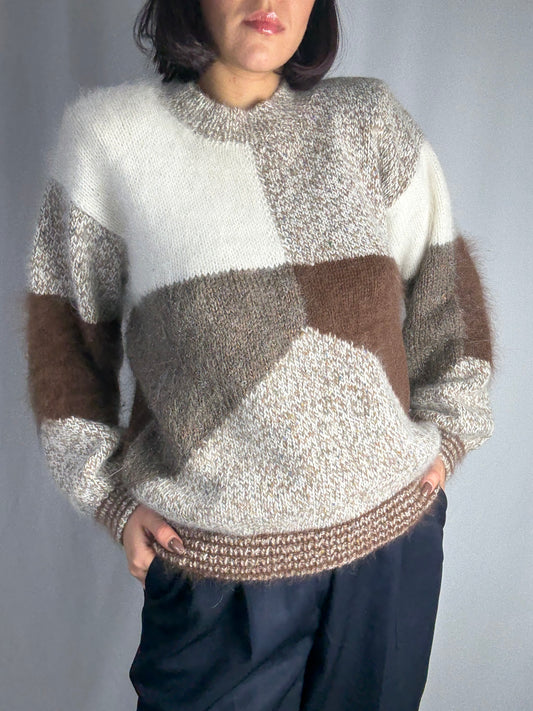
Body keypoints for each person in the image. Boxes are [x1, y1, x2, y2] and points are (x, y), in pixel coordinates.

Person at [24, 0, 496, 708]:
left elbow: (445, 291)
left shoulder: (368, 122)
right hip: (216, 577)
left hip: (391, 556)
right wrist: (110, 498)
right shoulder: (110, 140)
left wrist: (451, 430)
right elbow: (65, 339)